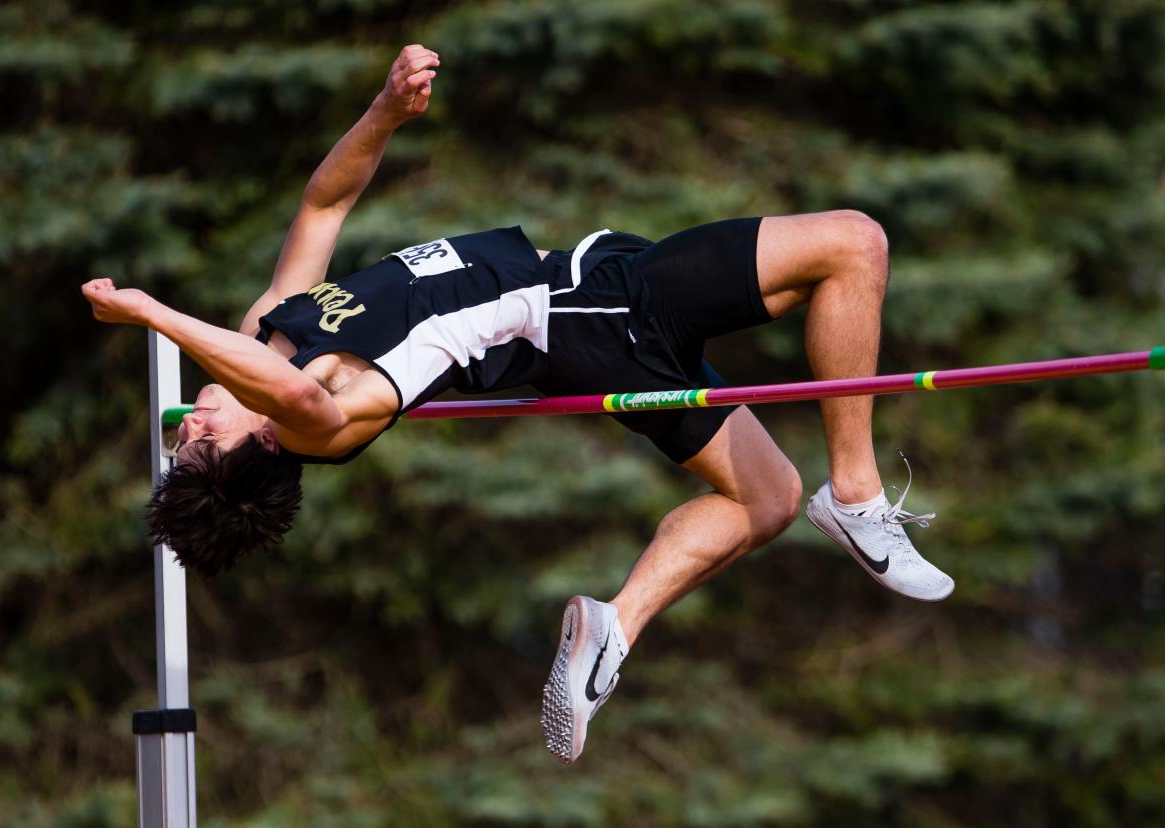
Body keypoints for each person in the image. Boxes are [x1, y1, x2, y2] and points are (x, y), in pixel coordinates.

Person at [82, 44, 949, 764]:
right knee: (852, 245)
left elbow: (325, 201)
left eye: (187, 433)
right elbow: (289, 390)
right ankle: (860, 495)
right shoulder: (317, 420)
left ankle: (613, 627)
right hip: (580, 306)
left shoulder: (268, 328)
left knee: (765, 497)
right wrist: (152, 313)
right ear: (253, 451)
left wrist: (383, 112)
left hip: (585, 325)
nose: (189, 424)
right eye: (198, 444)